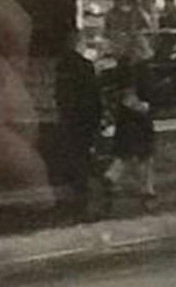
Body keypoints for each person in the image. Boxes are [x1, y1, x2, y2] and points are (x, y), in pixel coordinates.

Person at [54, 29, 104, 220]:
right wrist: (97, 120)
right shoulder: (84, 66)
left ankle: (74, 199)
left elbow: (60, 95)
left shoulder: (62, 66)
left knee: (72, 157)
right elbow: (93, 96)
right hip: (84, 120)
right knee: (84, 158)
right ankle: (84, 200)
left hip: (69, 119)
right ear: (79, 43)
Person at [104, 37, 157, 203]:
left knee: (125, 152)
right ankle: (146, 188)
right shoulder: (143, 69)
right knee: (145, 153)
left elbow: (117, 91)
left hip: (125, 117)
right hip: (139, 116)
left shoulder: (122, 67)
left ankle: (112, 177)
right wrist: (144, 106)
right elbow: (146, 92)